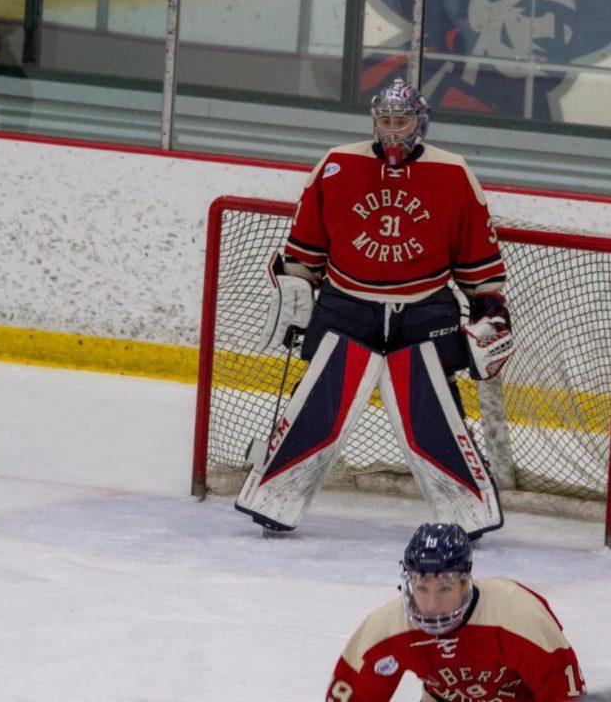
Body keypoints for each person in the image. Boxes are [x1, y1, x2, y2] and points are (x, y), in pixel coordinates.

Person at [238, 79, 514, 536]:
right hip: (348, 304)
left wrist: (489, 306)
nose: (391, 131)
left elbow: (475, 256)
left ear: (419, 122)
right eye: (383, 120)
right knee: (316, 401)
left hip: (426, 309)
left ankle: (466, 508)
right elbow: (306, 249)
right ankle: (276, 494)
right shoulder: (336, 164)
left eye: (400, 121)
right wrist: (295, 296)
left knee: (436, 410)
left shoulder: (454, 172)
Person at [326, 523, 586, 701]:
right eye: (421, 587)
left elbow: (563, 692)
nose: (431, 604)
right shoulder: (388, 629)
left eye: (445, 587)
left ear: (465, 582)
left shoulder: (518, 617)